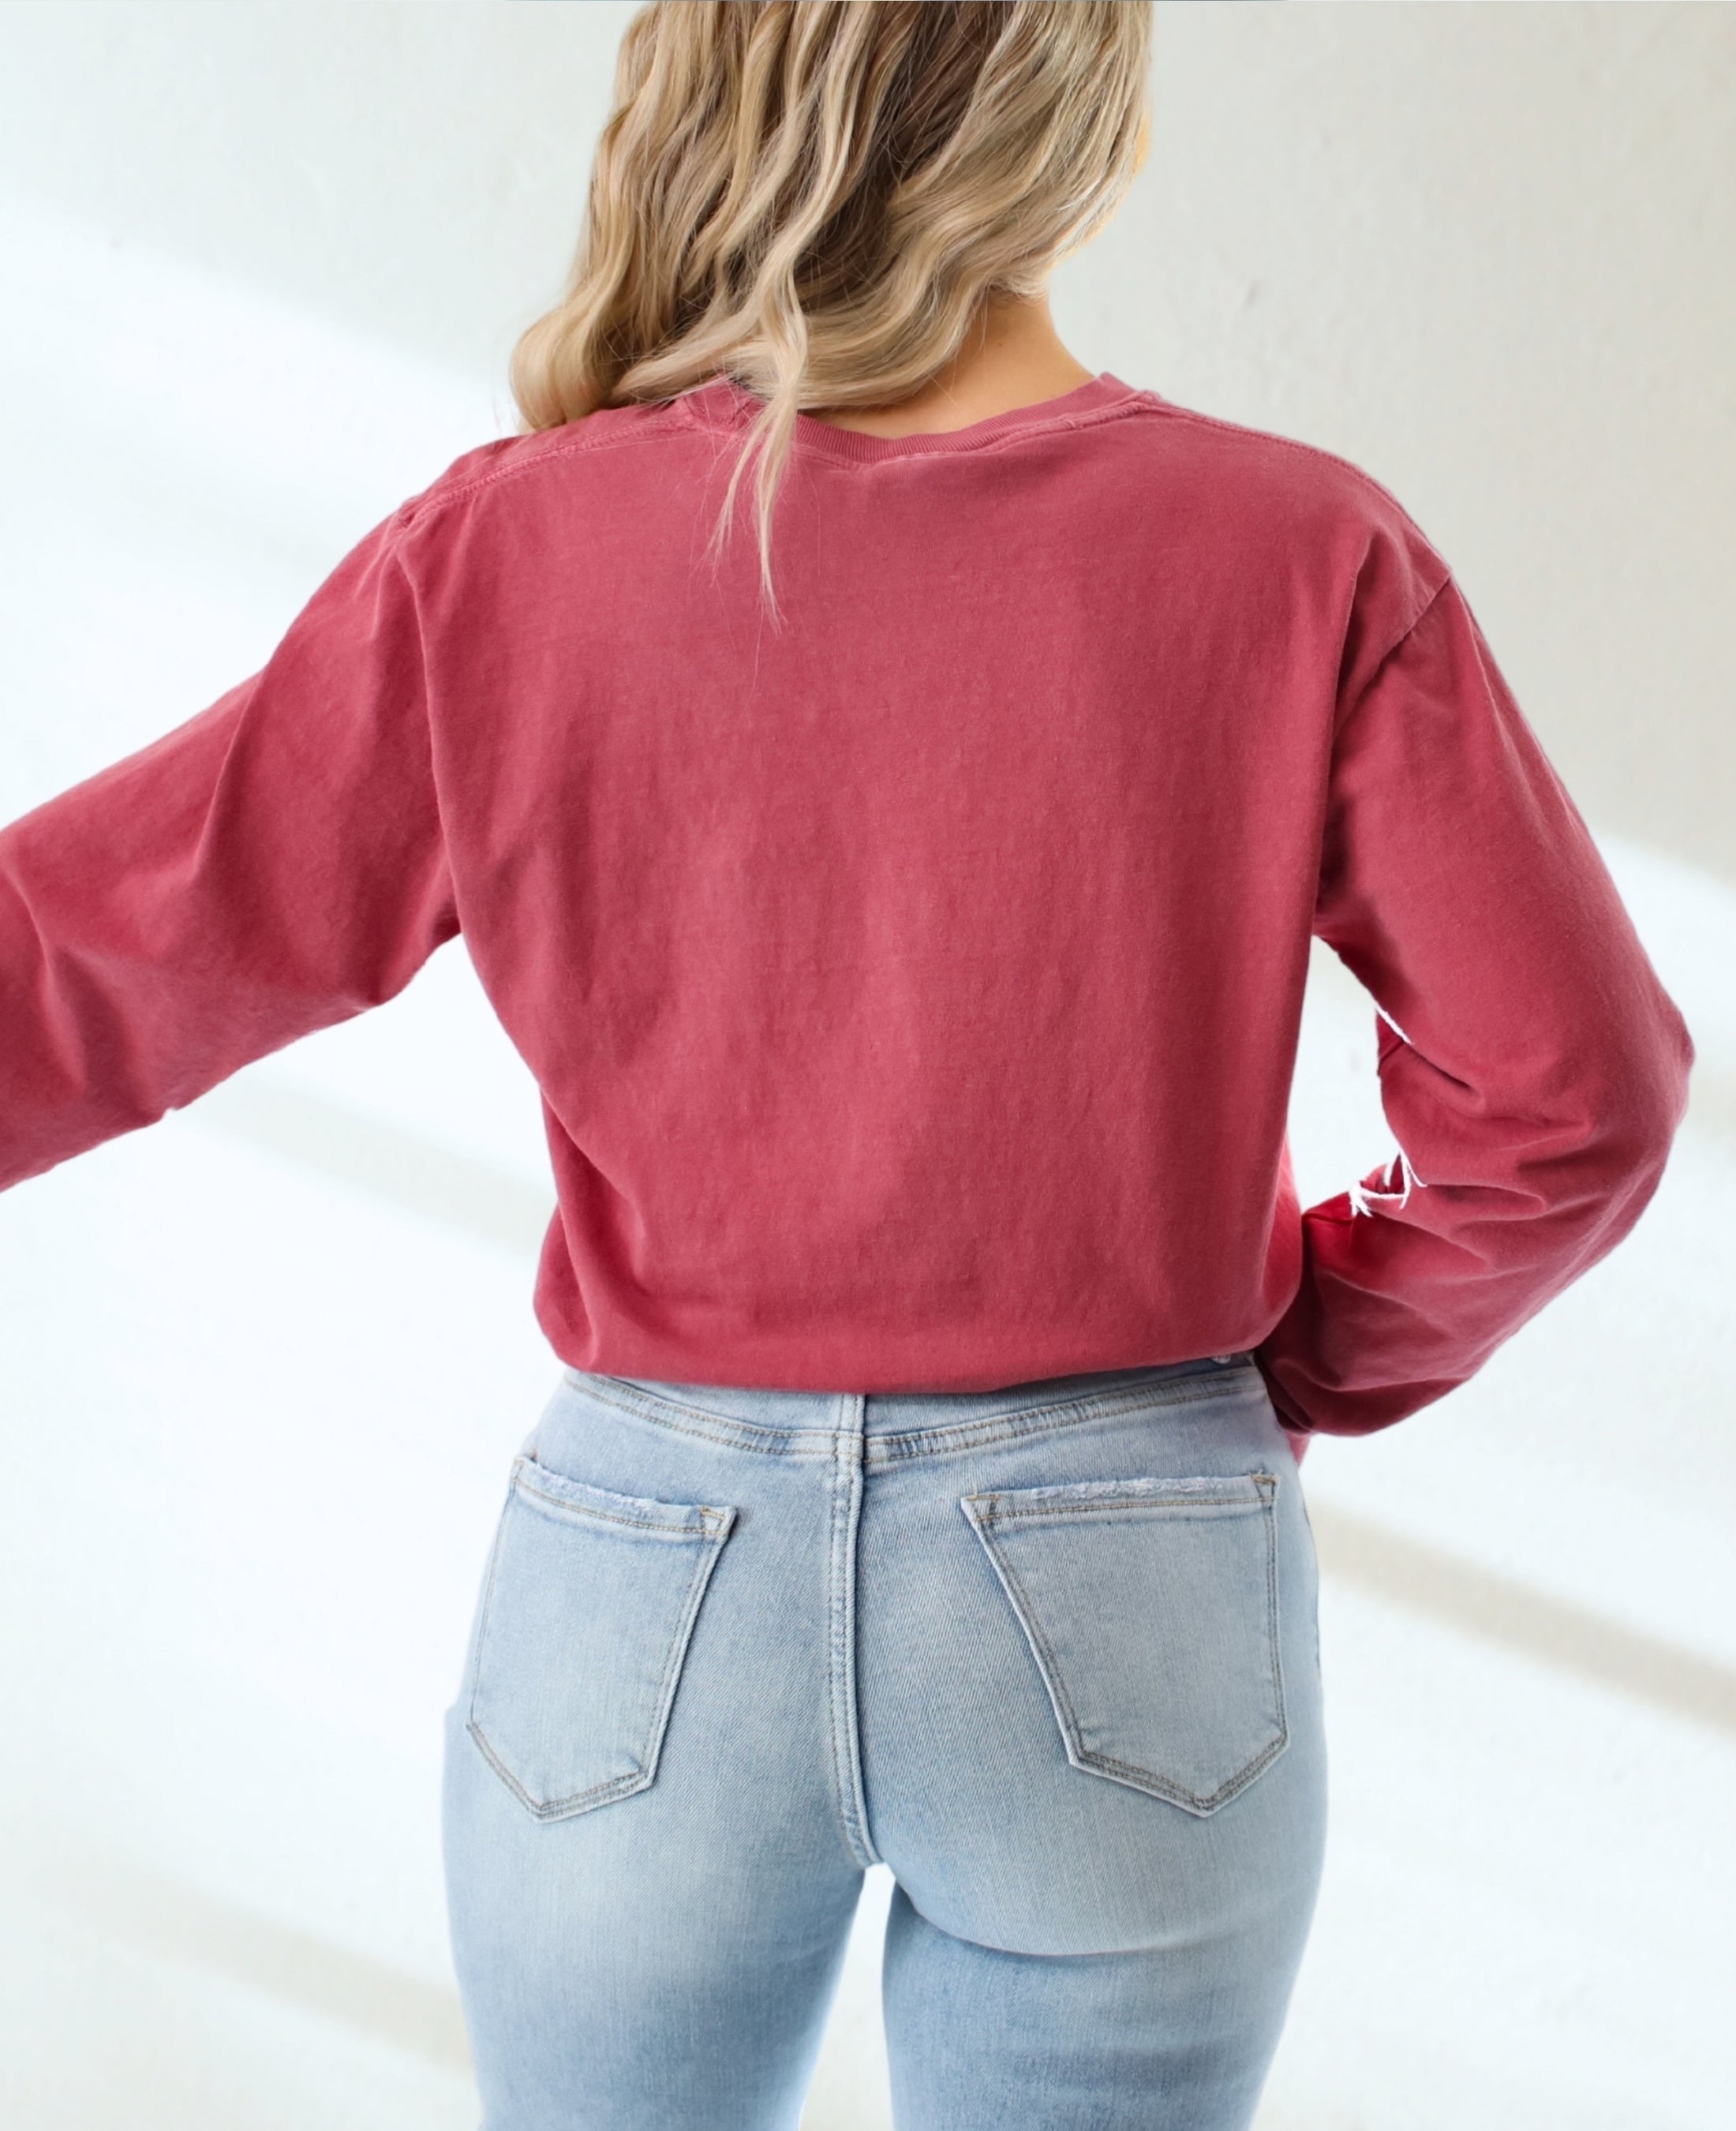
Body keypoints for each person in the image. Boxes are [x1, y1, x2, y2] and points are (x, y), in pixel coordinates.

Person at [0, 4, 1693, 2127]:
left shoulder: (509, 552)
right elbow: (1578, 1098)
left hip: (651, 1577)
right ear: (1081, 125)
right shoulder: (1303, 551)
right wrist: (1301, 1357)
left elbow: (87, 955)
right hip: (1133, 1554)